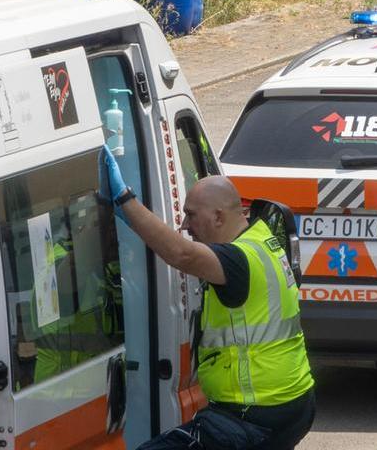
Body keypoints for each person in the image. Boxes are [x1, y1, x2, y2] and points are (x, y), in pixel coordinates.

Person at [101, 155, 315, 450]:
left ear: (218, 217)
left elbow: (182, 254)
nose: (185, 225)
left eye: (191, 215)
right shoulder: (260, 239)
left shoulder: (237, 260)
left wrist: (125, 200)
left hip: (254, 415)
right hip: (291, 404)